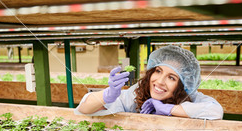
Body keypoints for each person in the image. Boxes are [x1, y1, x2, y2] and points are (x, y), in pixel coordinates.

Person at [75, 45, 223, 120]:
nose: (159, 81)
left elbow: (215, 111)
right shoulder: (137, 93)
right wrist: (108, 95)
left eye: (171, 77)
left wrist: (169, 109)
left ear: (182, 85)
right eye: (158, 71)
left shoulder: (192, 96)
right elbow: (84, 109)